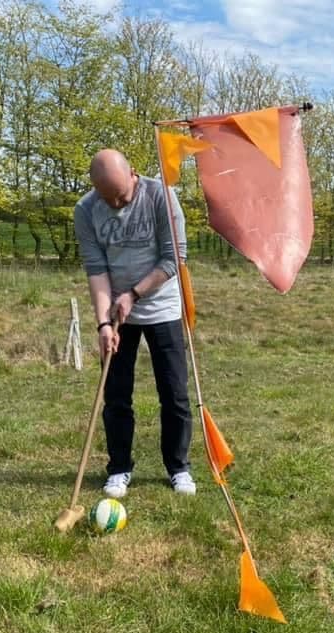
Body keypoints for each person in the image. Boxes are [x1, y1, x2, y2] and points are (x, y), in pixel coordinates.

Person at [73, 149, 194, 498]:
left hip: (162, 308)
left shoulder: (161, 195)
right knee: (116, 396)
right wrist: (103, 324)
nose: (114, 203)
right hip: (116, 315)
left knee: (174, 394)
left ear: (134, 175)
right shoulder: (86, 210)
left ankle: (178, 468)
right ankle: (120, 468)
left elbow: (175, 258)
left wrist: (133, 295)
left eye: (121, 195)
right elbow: (96, 269)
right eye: (105, 196)